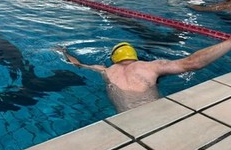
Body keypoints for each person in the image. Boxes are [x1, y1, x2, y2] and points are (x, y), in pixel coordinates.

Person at [59, 38, 231, 111]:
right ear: (133, 54)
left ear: (114, 58)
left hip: (124, 122)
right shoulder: (150, 66)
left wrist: (63, 51)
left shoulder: (105, 70)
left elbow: (77, 64)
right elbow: (193, 63)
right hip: (155, 115)